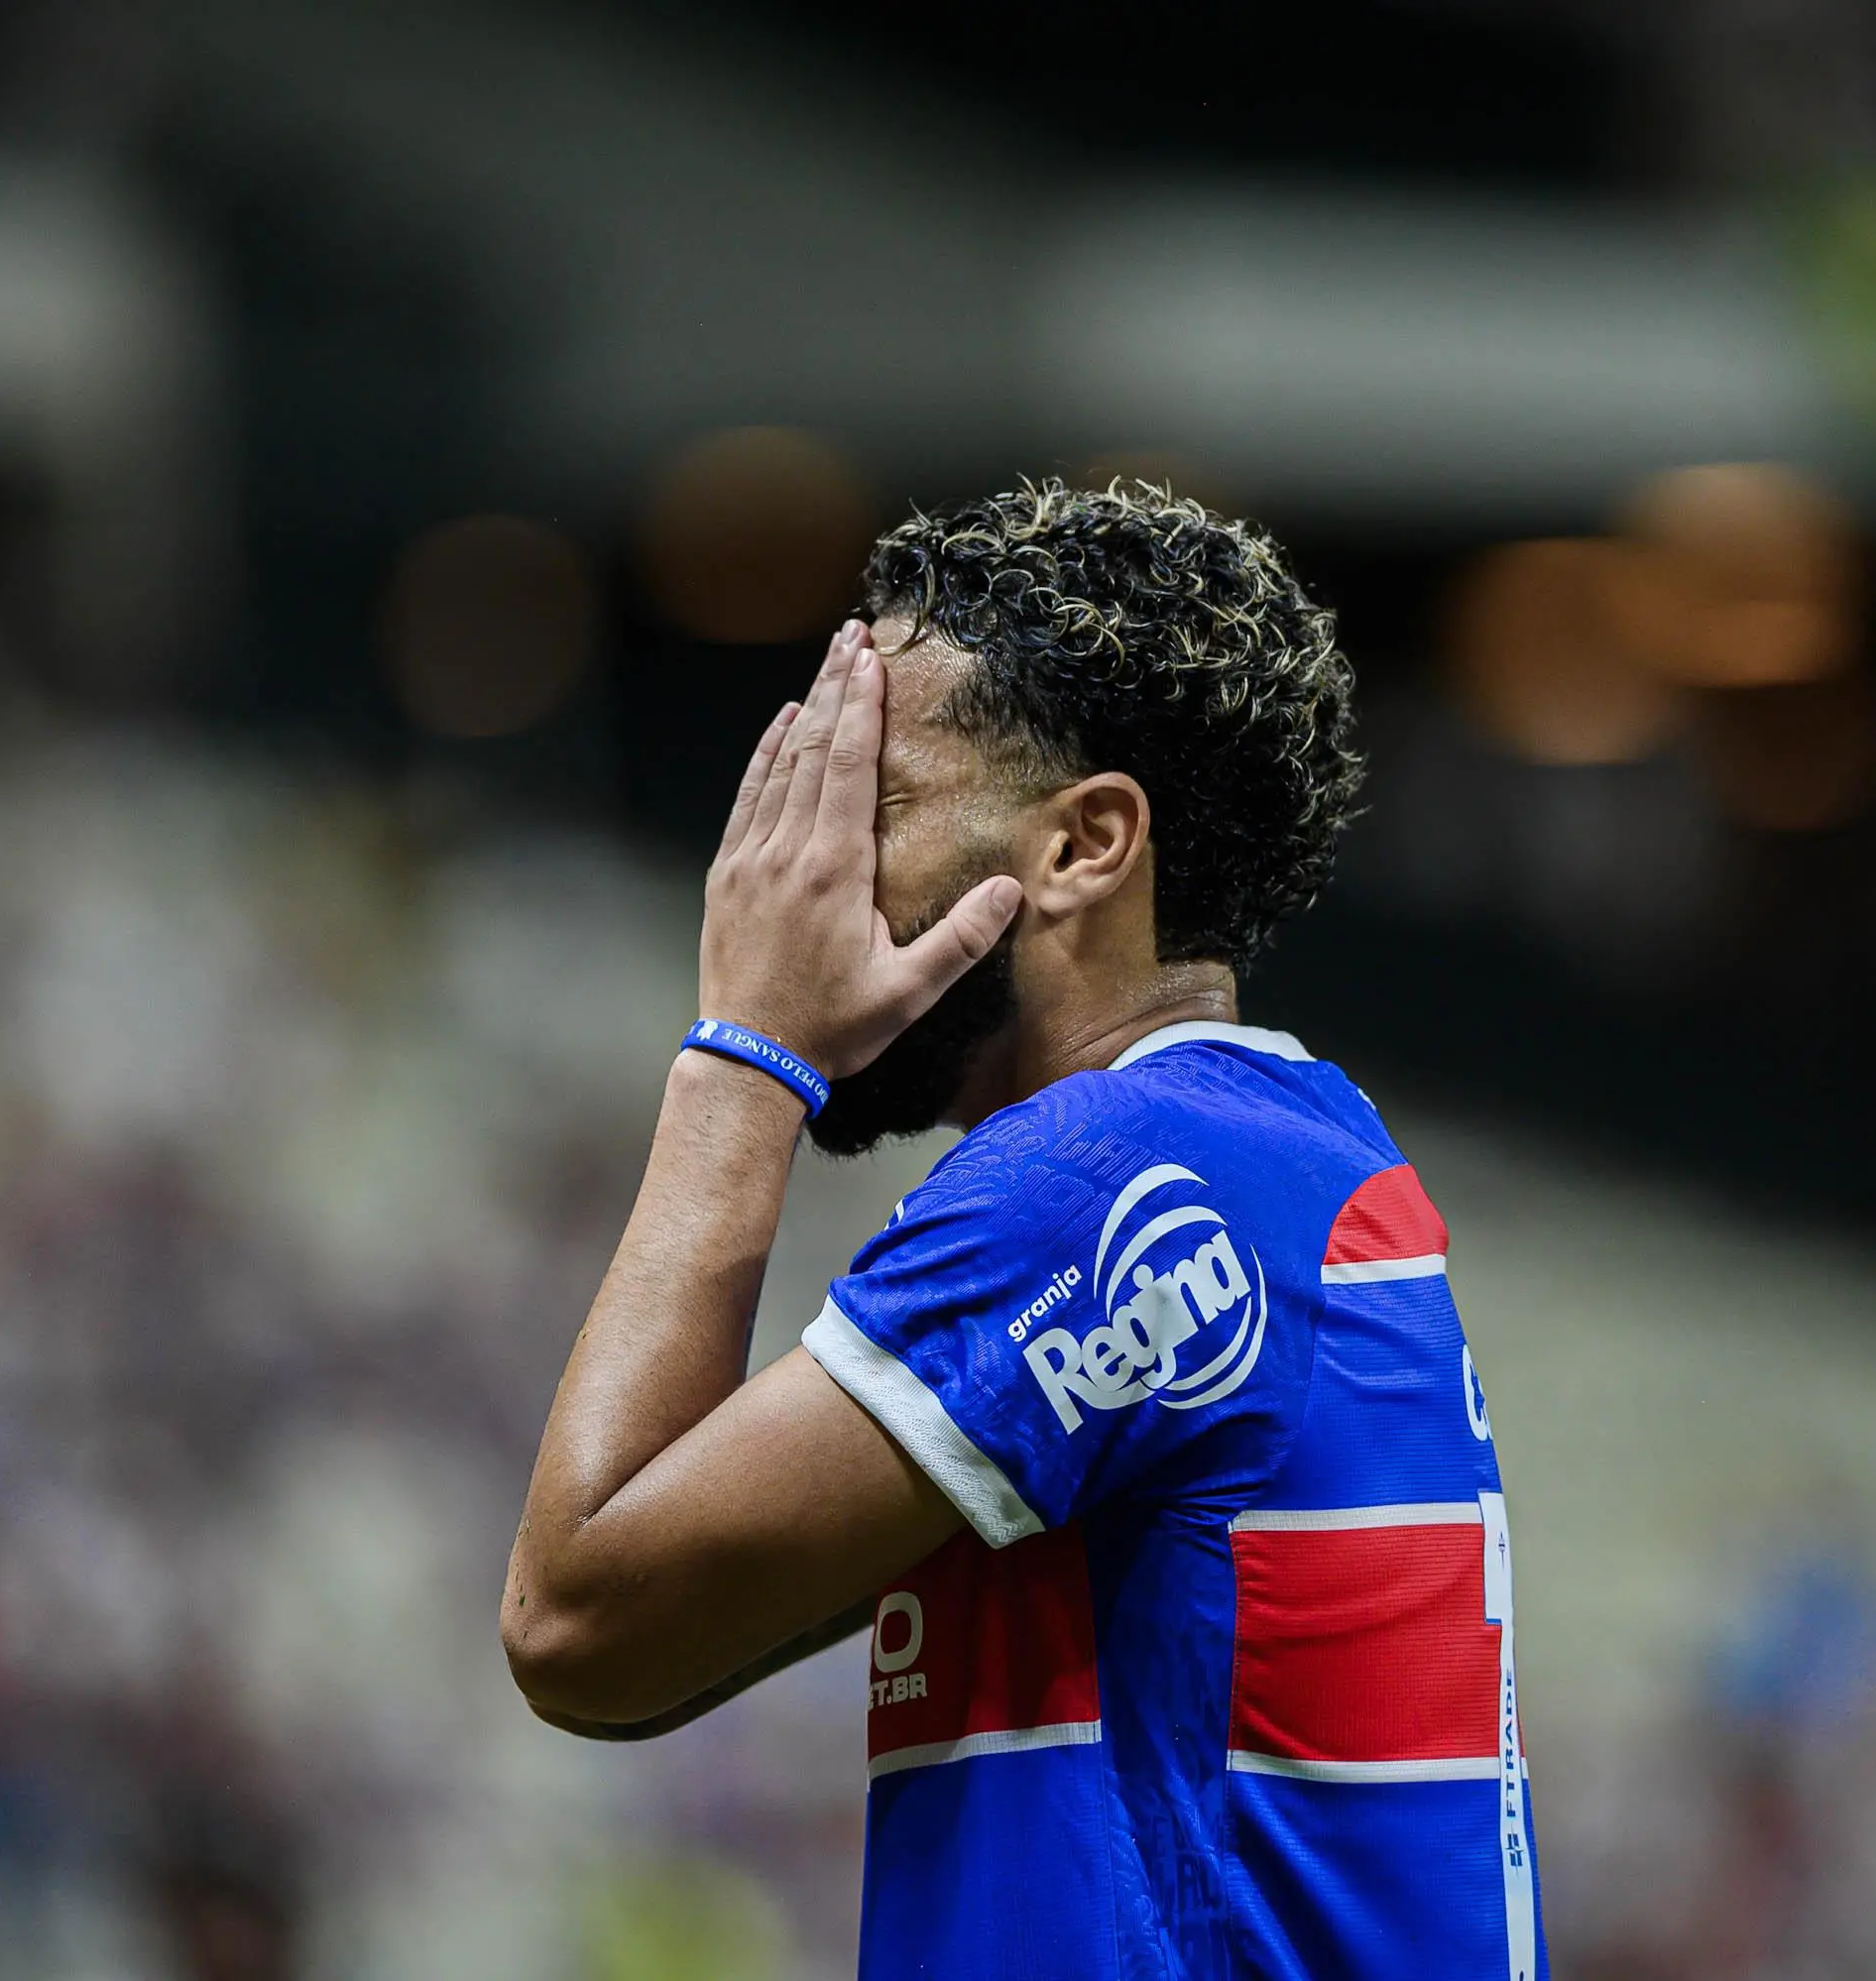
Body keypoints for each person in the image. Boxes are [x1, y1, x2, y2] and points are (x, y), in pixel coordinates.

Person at [500, 482, 1542, 1979]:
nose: (797, 877)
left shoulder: (1116, 1173)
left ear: (1082, 846)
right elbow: (659, 1655)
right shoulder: (1291, 1152)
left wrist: (739, 1053)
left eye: (870, 807)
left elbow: (578, 1619)